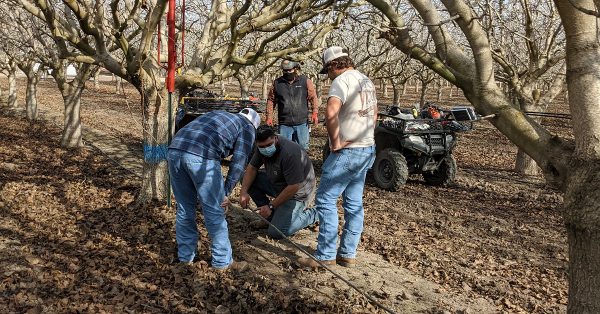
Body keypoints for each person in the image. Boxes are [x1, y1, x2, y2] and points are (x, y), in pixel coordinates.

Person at [297, 47, 377, 268]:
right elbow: (375, 111)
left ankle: (325, 256)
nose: (328, 75)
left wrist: (335, 142)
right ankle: (347, 254)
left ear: (333, 65)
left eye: (327, 70)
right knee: (353, 203)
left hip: (348, 152)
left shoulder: (341, 81)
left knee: (325, 200)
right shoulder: (366, 81)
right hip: (366, 148)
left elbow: (331, 112)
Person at [167, 108, 261, 271]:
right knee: (215, 210)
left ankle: (185, 257)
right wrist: (226, 193)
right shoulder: (247, 127)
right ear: (254, 125)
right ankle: (222, 262)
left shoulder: (220, 115)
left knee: (184, 208)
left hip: (174, 150)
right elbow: (239, 162)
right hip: (201, 157)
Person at [239, 126, 319, 238]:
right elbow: (252, 168)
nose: (266, 149)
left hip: (297, 194)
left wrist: (271, 206)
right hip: (277, 183)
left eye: (269, 145)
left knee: (277, 232)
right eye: (262, 146)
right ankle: (268, 218)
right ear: (256, 143)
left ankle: (316, 213)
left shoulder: (290, 153)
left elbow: (293, 187)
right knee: (244, 178)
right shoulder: (260, 147)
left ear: (275, 139)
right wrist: (243, 192)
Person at [265, 59, 319, 150]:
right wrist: (269, 117)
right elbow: (271, 100)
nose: (287, 73)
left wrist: (315, 112)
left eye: (289, 70)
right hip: (284, 122)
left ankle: (300, 163)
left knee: (302, 147)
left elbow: (313, 97)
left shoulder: (305, 81)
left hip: (301, 122)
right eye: (285, 71)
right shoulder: (277, 83)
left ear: (295, 68)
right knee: (284, 148)